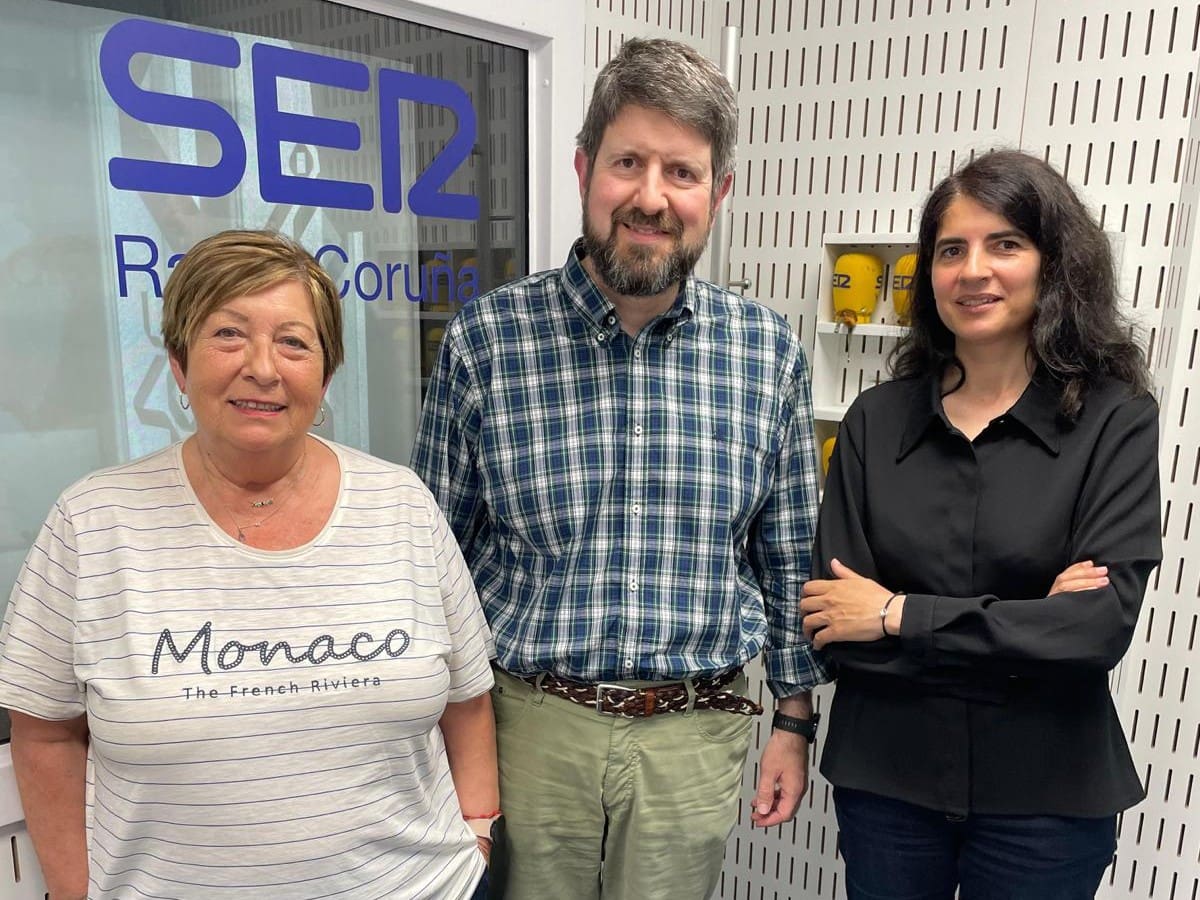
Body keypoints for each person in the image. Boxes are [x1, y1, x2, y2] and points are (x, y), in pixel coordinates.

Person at [411, 37, 828, 900]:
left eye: (682, 172)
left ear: (718, 193)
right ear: (584, 170)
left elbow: (787, 557)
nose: (651, 197)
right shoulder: (488, 340)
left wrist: (794, 720)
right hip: (527, 726)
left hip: (695, 730)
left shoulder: (767, 355)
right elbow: (432, 558)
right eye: (627, 162)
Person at [0, 230, 500, 900]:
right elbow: (44, 735)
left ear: (325, 375)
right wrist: (73, 893)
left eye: (294, 342)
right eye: (229, 334)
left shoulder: (402, 504)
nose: (263, 368)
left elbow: (468, 702)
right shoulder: (91, 524)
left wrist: (479, 835)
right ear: (180, 363)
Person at [800, 150, 1162, 899]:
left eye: (1005, 244)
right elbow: (837, 629)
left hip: (1046, 803)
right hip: (888, 791)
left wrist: (897, 614)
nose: (973, 271)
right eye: (950, 250)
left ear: (1054, 262)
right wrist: (1027, 626)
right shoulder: (874, 422)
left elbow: (1094, 632)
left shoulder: (1114, 420)